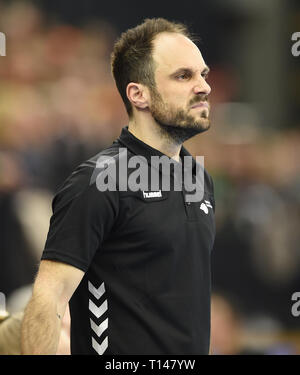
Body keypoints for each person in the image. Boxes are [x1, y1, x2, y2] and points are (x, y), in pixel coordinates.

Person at [21, 18, 216, 355]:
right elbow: (48, 299)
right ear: (138, 95)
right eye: (184, 76)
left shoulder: (198, 177)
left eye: (203, 74)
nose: (203, 87)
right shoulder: (98, 180)